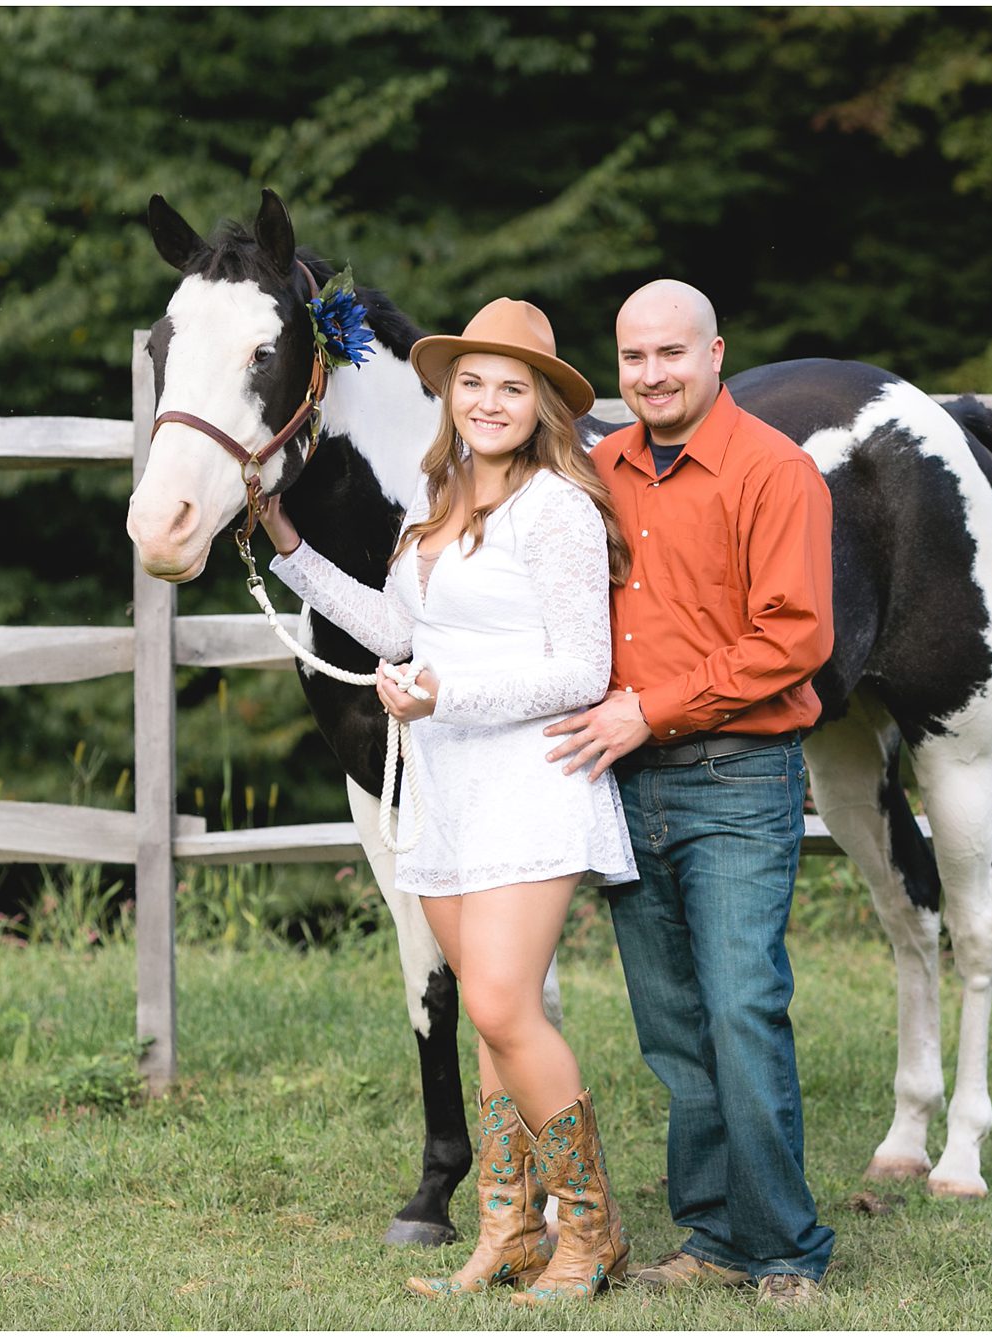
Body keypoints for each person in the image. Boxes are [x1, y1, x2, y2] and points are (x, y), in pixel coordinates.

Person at [260, 298, 636, 1305]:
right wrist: (290, 549)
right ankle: (509, 1229)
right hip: (447, 792)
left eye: (512, 385)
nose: (488, 399)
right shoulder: (436, 504)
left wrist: (444, 695)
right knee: (484, 1014)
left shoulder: (556, 506)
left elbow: (581, 668)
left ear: (545, 403)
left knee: (506, 1002)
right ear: (447, 392)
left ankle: (589, 1230)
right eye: (471, 381)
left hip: (526, 782)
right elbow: (394, 627)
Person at [543, 279, 837, 1305]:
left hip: (737, 777)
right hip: (621, 782)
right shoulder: (597, 467)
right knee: (671, 1023)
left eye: (670, 353)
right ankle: (711, 1230)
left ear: (716, 353)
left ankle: (785, 1246)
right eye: (633, 359)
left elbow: (794, 637)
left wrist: (649, 708)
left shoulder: (774, 470)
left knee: (742, 1005)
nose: (651, 375)